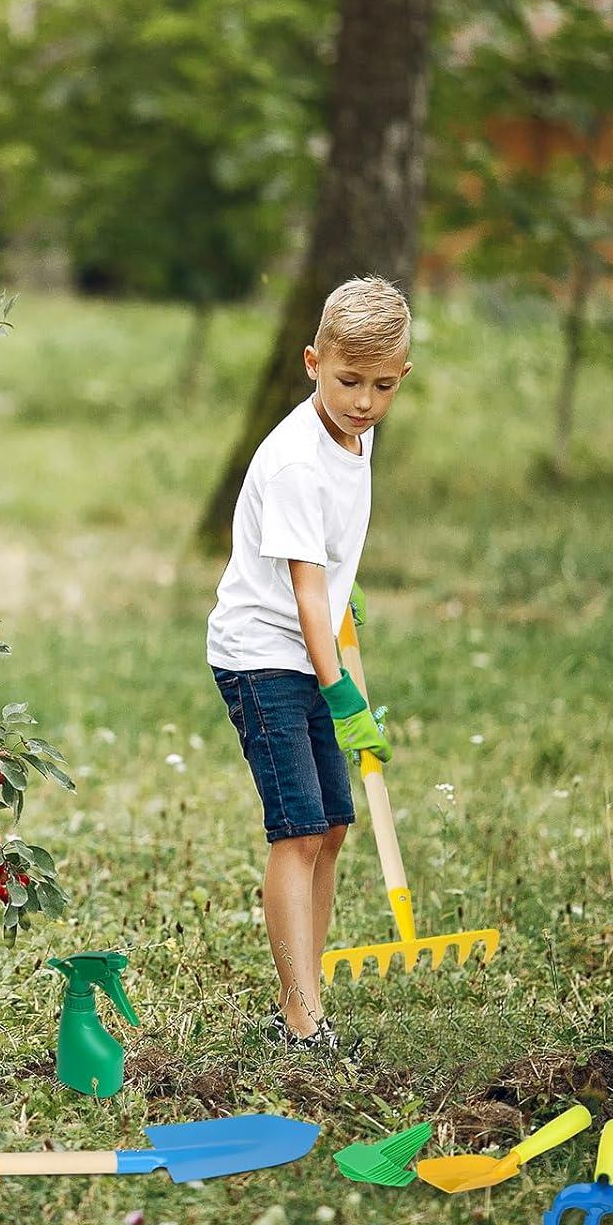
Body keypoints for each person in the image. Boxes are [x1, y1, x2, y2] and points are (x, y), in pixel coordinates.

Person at [207, 276, 411, 1050]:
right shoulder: (294, 459)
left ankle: (306, 993)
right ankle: (300, 1020)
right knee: (295, 832)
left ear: (401, 377)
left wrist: (340, 596)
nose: (363, 401)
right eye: (347, 381)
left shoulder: (358, 435)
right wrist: (342, 694)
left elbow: (323, 565)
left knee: (331, 828)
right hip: (265, 657)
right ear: (311, 362)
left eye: (381, 386)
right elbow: (300, 588)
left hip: (310, 638)